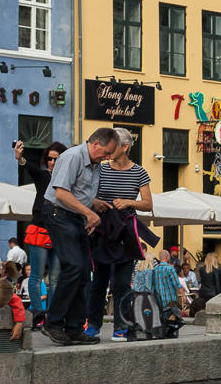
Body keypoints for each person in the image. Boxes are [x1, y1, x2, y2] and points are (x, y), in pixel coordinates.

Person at [41, 127, 119, 346]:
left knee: (85, 271)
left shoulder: (96, 165)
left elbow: (79, 193)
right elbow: (61, 193)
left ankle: (74, 328)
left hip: (75, 217)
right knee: (73, 266)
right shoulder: (72, 157)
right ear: (96, 144)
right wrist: (89, 213)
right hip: (57, 213)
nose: (108, 158)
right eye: (106, 152)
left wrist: (90, 207)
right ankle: (53, 323)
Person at [85, 128, 152, 341]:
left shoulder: (139, 172)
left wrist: (129, 202)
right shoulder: (101, 169)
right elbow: (87, 194)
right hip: (102, 229)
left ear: (125, 147)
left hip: (125, 232)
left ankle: (121, 327)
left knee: (122, 283)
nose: (109, 150)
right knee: (99, 282)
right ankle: (93, 325)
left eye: (114, 146)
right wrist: (95, 203)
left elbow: (148, 204)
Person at [15, 139, 66, 329]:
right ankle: (38, 312)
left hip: (59, 230)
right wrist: (20, 159)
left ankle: (52, 315)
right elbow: (31, 169)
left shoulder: (68, 179)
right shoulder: (44, 176)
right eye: (50, 159)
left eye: (56, 159)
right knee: (36, 275)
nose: (52, 163)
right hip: (40, 229)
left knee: (54, 278)